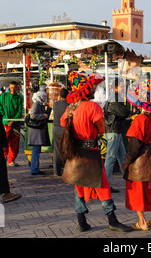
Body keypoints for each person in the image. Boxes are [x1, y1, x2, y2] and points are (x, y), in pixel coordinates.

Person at [60, 71, 131, 232]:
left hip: (75, 152)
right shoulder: (93, 107)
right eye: (92, 87)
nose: (94, 90)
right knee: (103, 186)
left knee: (78, 186)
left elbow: (62, 122)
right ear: (86, 90)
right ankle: (112, 220)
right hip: (91, 151)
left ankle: (81, 222)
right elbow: (101, 128)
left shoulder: (71, 107)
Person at [122, 79, 151, 230]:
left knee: (136, 190)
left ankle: (142, 221)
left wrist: (127, 162)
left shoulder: (140, 119)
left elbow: (134, 145)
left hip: (139, 160)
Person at [104, 81, 130, 193]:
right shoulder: (114, 98)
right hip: (113, 130)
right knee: (110, 158)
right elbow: (124, 112)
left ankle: (129, 181)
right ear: (115, 87)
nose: (124, 88)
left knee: (122, 157)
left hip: (116, 130)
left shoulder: (115, 97)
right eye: (122, 86)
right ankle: (106, 185)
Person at [0, 81, 24, 167]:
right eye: (11, 87)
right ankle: (2, 160)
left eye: (14, 87)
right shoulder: (4, 96)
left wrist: (13, 120)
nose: (12, 89)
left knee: (15, 144)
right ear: (9, 87)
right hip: (5, 124)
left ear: (17, 88)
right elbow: (0, 107)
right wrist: (6, 119)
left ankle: (11, 160)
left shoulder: (19, 98)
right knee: (4, 143)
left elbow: (19, 111)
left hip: (15, 124)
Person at [27, 90, 51, 175]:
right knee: (36, 150)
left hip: (38, 131)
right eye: (44, 96)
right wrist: (42, 116)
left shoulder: (40, 104)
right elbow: (32, 115)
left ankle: (35, 168)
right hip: (36, 132)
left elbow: (46, 117)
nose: (45, 98)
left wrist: (48, 108)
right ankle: (34, 169)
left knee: (37, 150)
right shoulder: (36, 104)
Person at [52, 88, 69, 177]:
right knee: (67, 149)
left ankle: (56, 171)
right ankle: (67, 170)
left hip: (56, 128)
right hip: (65, 128)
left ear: (60, 95)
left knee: (56, 150)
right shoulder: (69, 104)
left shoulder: (55, 104)